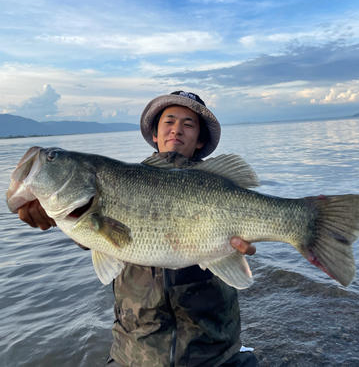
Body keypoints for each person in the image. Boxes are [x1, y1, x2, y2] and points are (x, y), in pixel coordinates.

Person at [18, 90, 259, 367]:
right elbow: (94, 236)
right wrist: (55, 217)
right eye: (168, 122)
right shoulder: (121, 180)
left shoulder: (215, 183)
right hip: (134, 352)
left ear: (200, 140)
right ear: (154, 134)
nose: (177, 129)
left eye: (188, 124)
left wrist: (237, 247)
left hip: (214, 350)